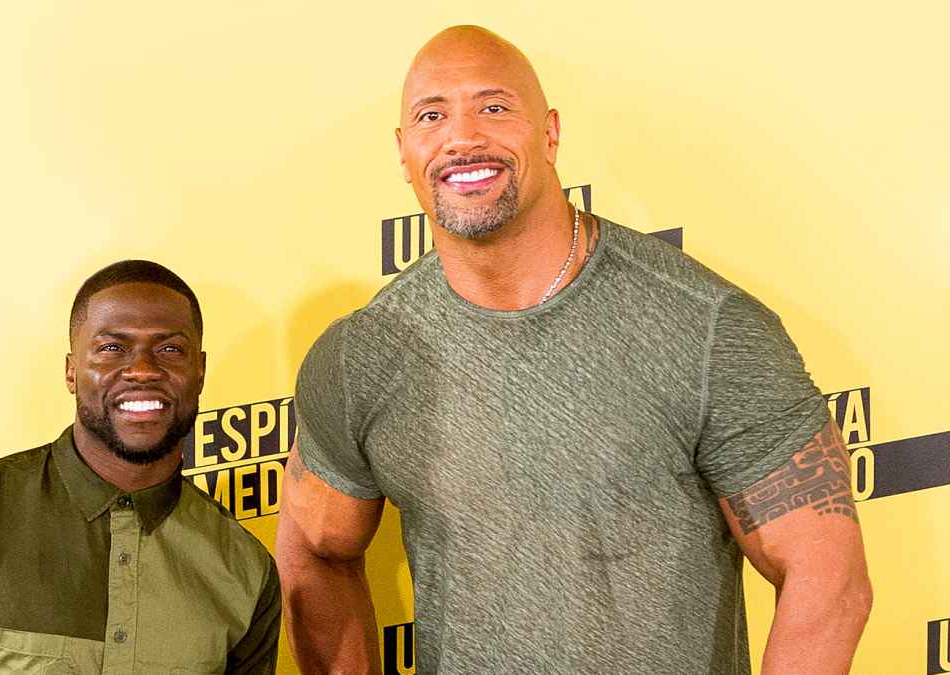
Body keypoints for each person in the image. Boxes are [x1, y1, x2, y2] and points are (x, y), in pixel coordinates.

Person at [276, 25, 871, 674]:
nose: (463, 136)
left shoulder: (704, 328)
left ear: (551, 132)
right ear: (404, 150)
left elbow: (828, 576)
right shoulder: (364, 353)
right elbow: (315, 547)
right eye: (431, 115)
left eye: (495, 107)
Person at [0, 260, 281, 674]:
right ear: (72, 372)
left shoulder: (246, 570)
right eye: (113, 348)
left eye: (169, 349)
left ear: (200, 371)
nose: (144, 370)